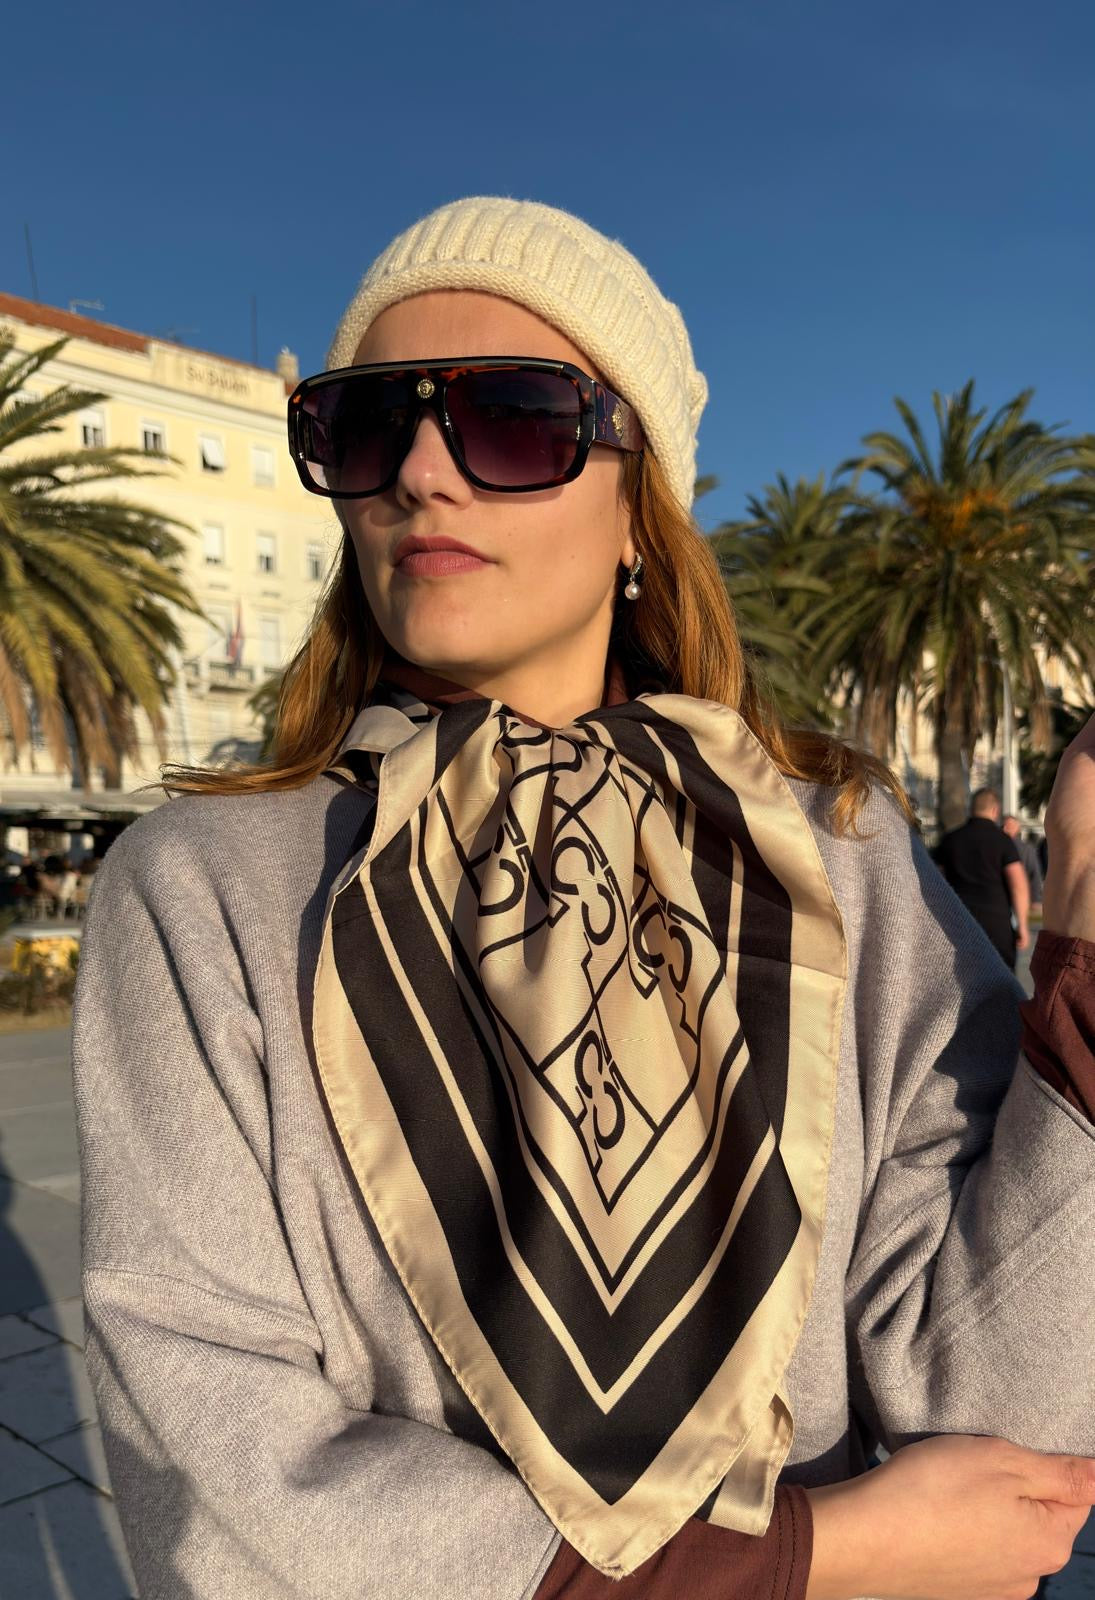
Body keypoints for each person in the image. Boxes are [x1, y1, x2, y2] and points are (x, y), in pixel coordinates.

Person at [71, 198, 1095, 1600]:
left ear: (640, 514)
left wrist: (1083, 967)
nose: (420, 472)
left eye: (511, 418)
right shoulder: (206, 891)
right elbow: (219, 1472)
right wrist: (811, 1556)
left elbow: (998, 1414)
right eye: (364, 427)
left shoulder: (833, 853)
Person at [933, 787, 1030, 969]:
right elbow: (1018, 884)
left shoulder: (950, 840)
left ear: (971, 808)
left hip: (958, 922)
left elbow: (935, 881)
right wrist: (1022, 925)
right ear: (995, 810)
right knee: (1001, 978)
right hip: (997, 924)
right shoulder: (1003, 841)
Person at [1002, 813, 1045, 919]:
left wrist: (1036, 899)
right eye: (1004, 825)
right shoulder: (995, 846)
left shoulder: (1026, 849)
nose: (1006, 829)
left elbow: (1034, 874)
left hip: (1020, 898)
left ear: (1017, 828)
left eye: (1010, 826)